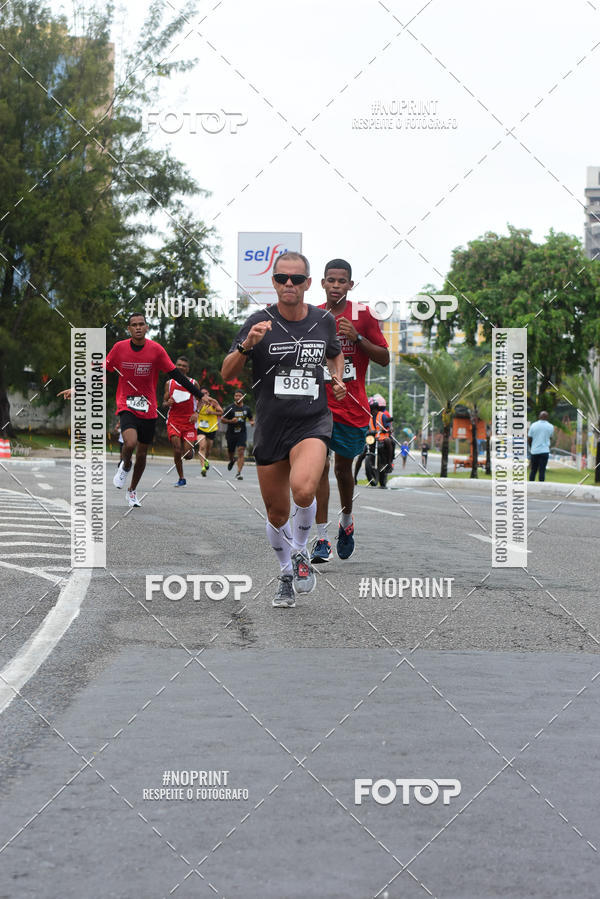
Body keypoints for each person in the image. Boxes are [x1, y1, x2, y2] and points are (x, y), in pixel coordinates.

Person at [221, 251, 345, 608]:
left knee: (304, 490)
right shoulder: (258, 321)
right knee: (277, 514)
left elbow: (334, 353)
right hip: (271, 426)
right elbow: (227, 373)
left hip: (312, 420)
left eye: (296, 279)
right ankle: (286, 573)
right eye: (281, 278)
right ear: (273, 283)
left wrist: (337, 377)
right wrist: (247, 345)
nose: (289, 284)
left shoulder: (323, 320)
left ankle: (301, 550)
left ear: (308, 283)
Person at [60, 312, 205, 507]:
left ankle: (132, 491)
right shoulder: (119, 348)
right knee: (130, 442)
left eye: (141, 324)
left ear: (146, 327)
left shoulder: (156, 350)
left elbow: (177, 375)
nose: (138, 327)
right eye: (134, 325)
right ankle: (125, 464)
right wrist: (78, 387)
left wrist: (200, 394)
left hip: (149, 408)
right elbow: (101, 370)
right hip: (126, 403)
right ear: (129, 329)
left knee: (142, 454)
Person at [311, 259, 389, 564]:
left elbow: (384, 358)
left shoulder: (363, 315)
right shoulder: (313, 316)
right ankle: (321, 539)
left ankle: (346, 521)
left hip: (352, 406)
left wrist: (357, 338)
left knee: (342, 469)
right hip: (319, 403)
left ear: (350, 285)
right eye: (330, 280)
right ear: (322, 283)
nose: (335, 285)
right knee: (319, 466)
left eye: (341, 281)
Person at [162, 356, 199, 487]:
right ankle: (181, 478)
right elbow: (164, 402)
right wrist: (168, 403)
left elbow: (201, 399)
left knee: (187, 455)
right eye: (179, 365)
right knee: (177, 449)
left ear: (188, 369)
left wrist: (196, 413)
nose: (181, 367)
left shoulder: (194, 383)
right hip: (174, 421)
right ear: (175, 366)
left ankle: (191, 452)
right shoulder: (169, 383)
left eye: (184, 366)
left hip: (189, 422)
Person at [353, 395, 394, 483]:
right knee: (361, 455)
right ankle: (355, 477)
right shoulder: (368, 418)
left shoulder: (382, 416)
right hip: (372, 439)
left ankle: (389, 463)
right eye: (371, 409)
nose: (372, 411)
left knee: (388, 441)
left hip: (382, 438)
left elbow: (389, 425)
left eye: (373, 409)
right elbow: (363, 428)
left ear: (376, 408)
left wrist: (389, 429)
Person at [221, 390, 254, 480]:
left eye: (239, 396)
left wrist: (252, 422)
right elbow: (222, 419)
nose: (238, 397)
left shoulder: (247, 409)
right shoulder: (230, 408)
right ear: (234, 397)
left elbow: (251, 418)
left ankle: (238, 473)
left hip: (242, 433)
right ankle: (231, 460)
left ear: (243, 397)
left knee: (241, 451)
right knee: (231, 451)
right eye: (236, 396)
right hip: (231, 433)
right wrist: (231, 421)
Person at [196, 388, 223, 477]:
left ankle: (206, 460)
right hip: (200, 428)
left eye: (206, 393)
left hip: (211, 428)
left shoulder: (213, 402)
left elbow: (221, 412)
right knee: (202, 446)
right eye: (202, 393)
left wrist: (211, 412)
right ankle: (203, 468)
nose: (204, 395)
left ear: (208, 393)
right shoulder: (197, 403)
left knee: (208, 450)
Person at [528, 410, 554, 482]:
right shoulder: (551, 426)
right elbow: (550, 438)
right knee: (542, 470)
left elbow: (529, 438)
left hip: (535, 451)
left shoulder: (533, 425)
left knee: (533, 469)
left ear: (539, 416)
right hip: (545, 451)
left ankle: (531, 484)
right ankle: (541, 485)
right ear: (547, 417)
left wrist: (531, 447)